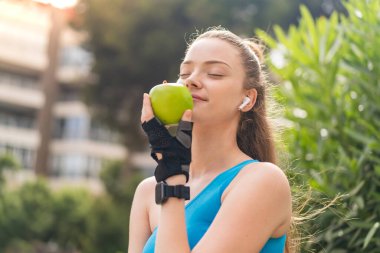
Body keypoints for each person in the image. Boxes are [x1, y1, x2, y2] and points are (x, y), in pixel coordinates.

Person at [129, 27, 293, 253]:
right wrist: (170, 172)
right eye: (185, 73)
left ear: (247, 98)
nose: (191, 81)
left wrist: (172, 174)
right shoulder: (148, 191)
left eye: (214, 73)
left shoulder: (264, 181)